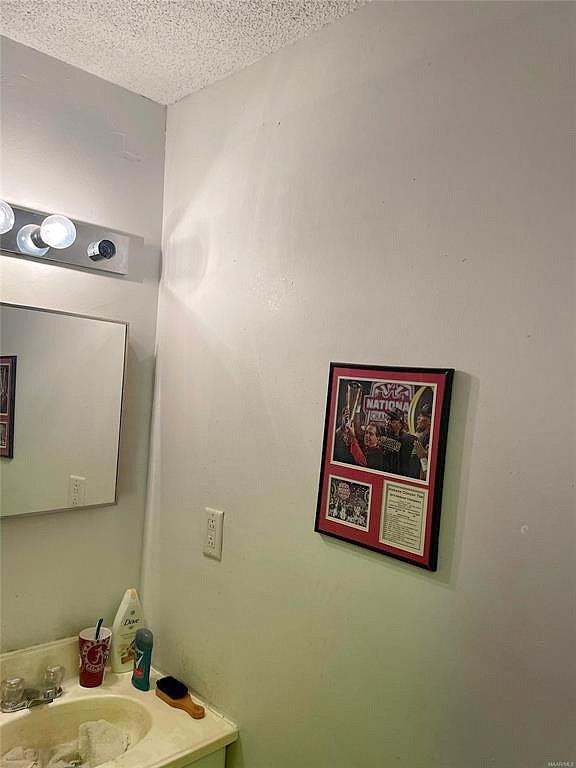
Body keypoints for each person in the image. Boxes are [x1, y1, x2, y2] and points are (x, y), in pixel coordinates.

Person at [383, 408, 419, 478]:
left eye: (392, 421)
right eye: (387, 419)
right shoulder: (383, 436)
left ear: (400, 424)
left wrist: (396, 433)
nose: (388, 423)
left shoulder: (410, 440)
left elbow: (398, 446)